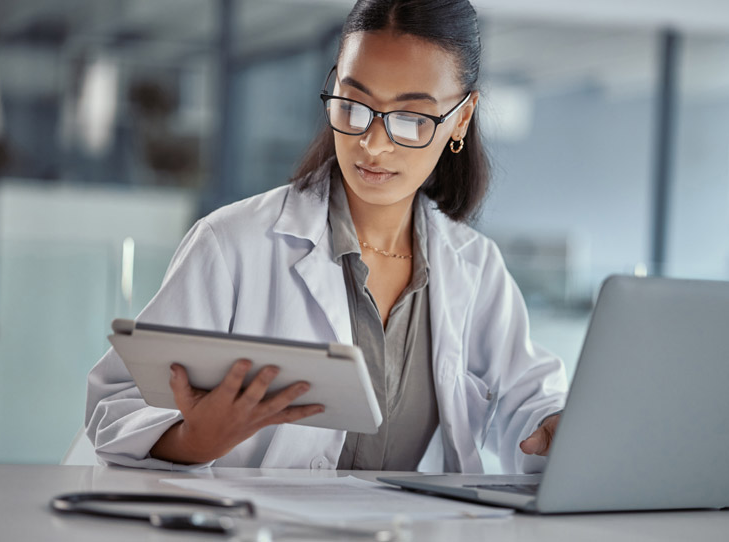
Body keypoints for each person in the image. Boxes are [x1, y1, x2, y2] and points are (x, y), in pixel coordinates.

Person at [85, 0, 566, 473]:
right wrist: (192, 441)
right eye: (355, 104)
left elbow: (527, 400)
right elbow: (117, 404)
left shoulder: (475, 267)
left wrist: (554, 424)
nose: (373, 144)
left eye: (412, 119)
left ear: (461, 118)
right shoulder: (231, 245)